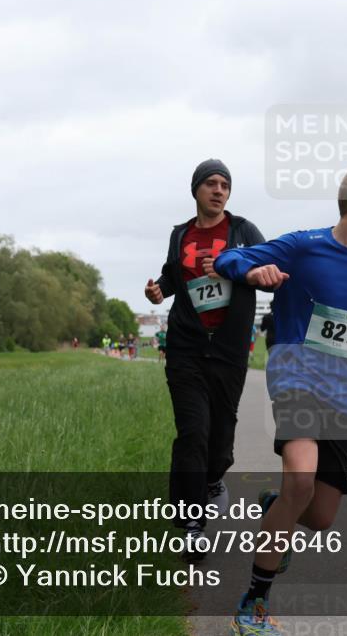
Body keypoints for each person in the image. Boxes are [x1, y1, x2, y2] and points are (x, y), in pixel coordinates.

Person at [213, 161, 347, 636]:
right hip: (296, 371)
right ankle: (253, 603)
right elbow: (228, 260)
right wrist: (256, 272)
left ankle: (279, 505)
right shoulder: (303, 245)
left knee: (318, 516)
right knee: (301, 480)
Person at [144, 159, 266, 561]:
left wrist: (236, 267)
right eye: (211, 183)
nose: (218, 190)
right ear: (196, 190)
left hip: (230, 348)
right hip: (186, 346)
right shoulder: (180, 234)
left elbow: (267, 266)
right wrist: (158, 290)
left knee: (220, 441)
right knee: (193, 432)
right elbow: (172, 277)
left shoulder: (243, 231)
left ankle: (214, 479)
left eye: (225, 184)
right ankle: (192, 525)